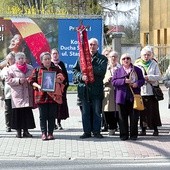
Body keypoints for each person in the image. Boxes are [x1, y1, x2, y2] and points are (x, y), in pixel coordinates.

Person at [73, 38, 108, 139]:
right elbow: (75, 71)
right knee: (85, 112)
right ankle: (87, 132)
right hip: (84, 90)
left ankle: (96, 131)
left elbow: (101, 72)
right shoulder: (81, 58)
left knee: (97, 112)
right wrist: (81, 76)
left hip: (96, 90)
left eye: (94, 45)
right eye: (90, 44)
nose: (92, 46)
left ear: (97, 46)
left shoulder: (102, 58)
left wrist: (89, 65)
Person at [28, 52, 65, 141]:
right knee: (43, 116)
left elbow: (62, 77)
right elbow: (31, 80)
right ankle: (44, 133)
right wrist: (38, 86)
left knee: (52, 116)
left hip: (53, 97)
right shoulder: (37, 70)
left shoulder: (56, 69)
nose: (47, 60)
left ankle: (50, 133)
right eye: (45, 59)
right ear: (42, 60)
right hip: (41, 97)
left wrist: (58, 79)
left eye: (49, 58)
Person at [112, 53, 145, 140]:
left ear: (131, 60)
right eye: (124, 59)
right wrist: (124, 81)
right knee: (122, 118)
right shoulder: (118, 71)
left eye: (128, 58)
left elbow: (142, 80)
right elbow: (114, 82)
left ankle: (133, 135)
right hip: (121, 97)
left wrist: (137, 84)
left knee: (134, 117)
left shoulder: (137, 70)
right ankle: (124, 135)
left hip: (134, 97)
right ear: (121, 61)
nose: (126, 60)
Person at [6, 52, 35, 138]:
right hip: (18, 94)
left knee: (26, 113)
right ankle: (18, 132)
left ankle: (26, 131)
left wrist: (30, 80)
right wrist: (18, 80)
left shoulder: (30, 68)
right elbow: (8, 80)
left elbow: (33, 78)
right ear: (16, 60)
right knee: (17, 114)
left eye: (23, 58)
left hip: (27, 94)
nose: (21, 60)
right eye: (19, 58)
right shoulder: (11, 69)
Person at [134, 46, 162, 136]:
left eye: (148, 55)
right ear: (141, 55)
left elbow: (159, 76)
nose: (146, 56)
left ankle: (155, 129)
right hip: (141, 91)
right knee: (142, 111)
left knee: (153, 111)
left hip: (151, 91)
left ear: (151, 55)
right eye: (144, 55)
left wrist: (148, 77)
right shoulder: (137, 64)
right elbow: (134, 77)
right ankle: (143, 129)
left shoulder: (154, 63)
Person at [102, 51, 121, 135]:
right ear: (108, 58)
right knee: (107, 111)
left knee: (117, 111)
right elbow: (100, 79)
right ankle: (110, 127)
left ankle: (116, 126)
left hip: (118, 91)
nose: (113, 58)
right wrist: (106, 80)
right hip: (108, 92)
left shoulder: (120, 68)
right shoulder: (105, 67)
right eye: (111, 57)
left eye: (115, 57)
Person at [51, 48, 69, 130]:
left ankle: (59, 122)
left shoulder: (61, 64)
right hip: (52, 89)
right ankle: (52, 123)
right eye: (53, 53)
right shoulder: (49, 64)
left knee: (60, 106)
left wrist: (64, 86)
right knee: (52, 106)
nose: (55, 55)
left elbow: (65, 76)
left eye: (56, 53)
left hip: (61, 89)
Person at [0, 52, 15, 132]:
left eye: (12, 58)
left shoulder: (17, 67)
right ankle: (8, 125)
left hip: (17, 93)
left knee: (15, 110)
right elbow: (1, 79)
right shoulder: (5, 69)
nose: (10, 60)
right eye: (9, 59)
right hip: (8, 93)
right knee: (7, 110)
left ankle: (15, 125)